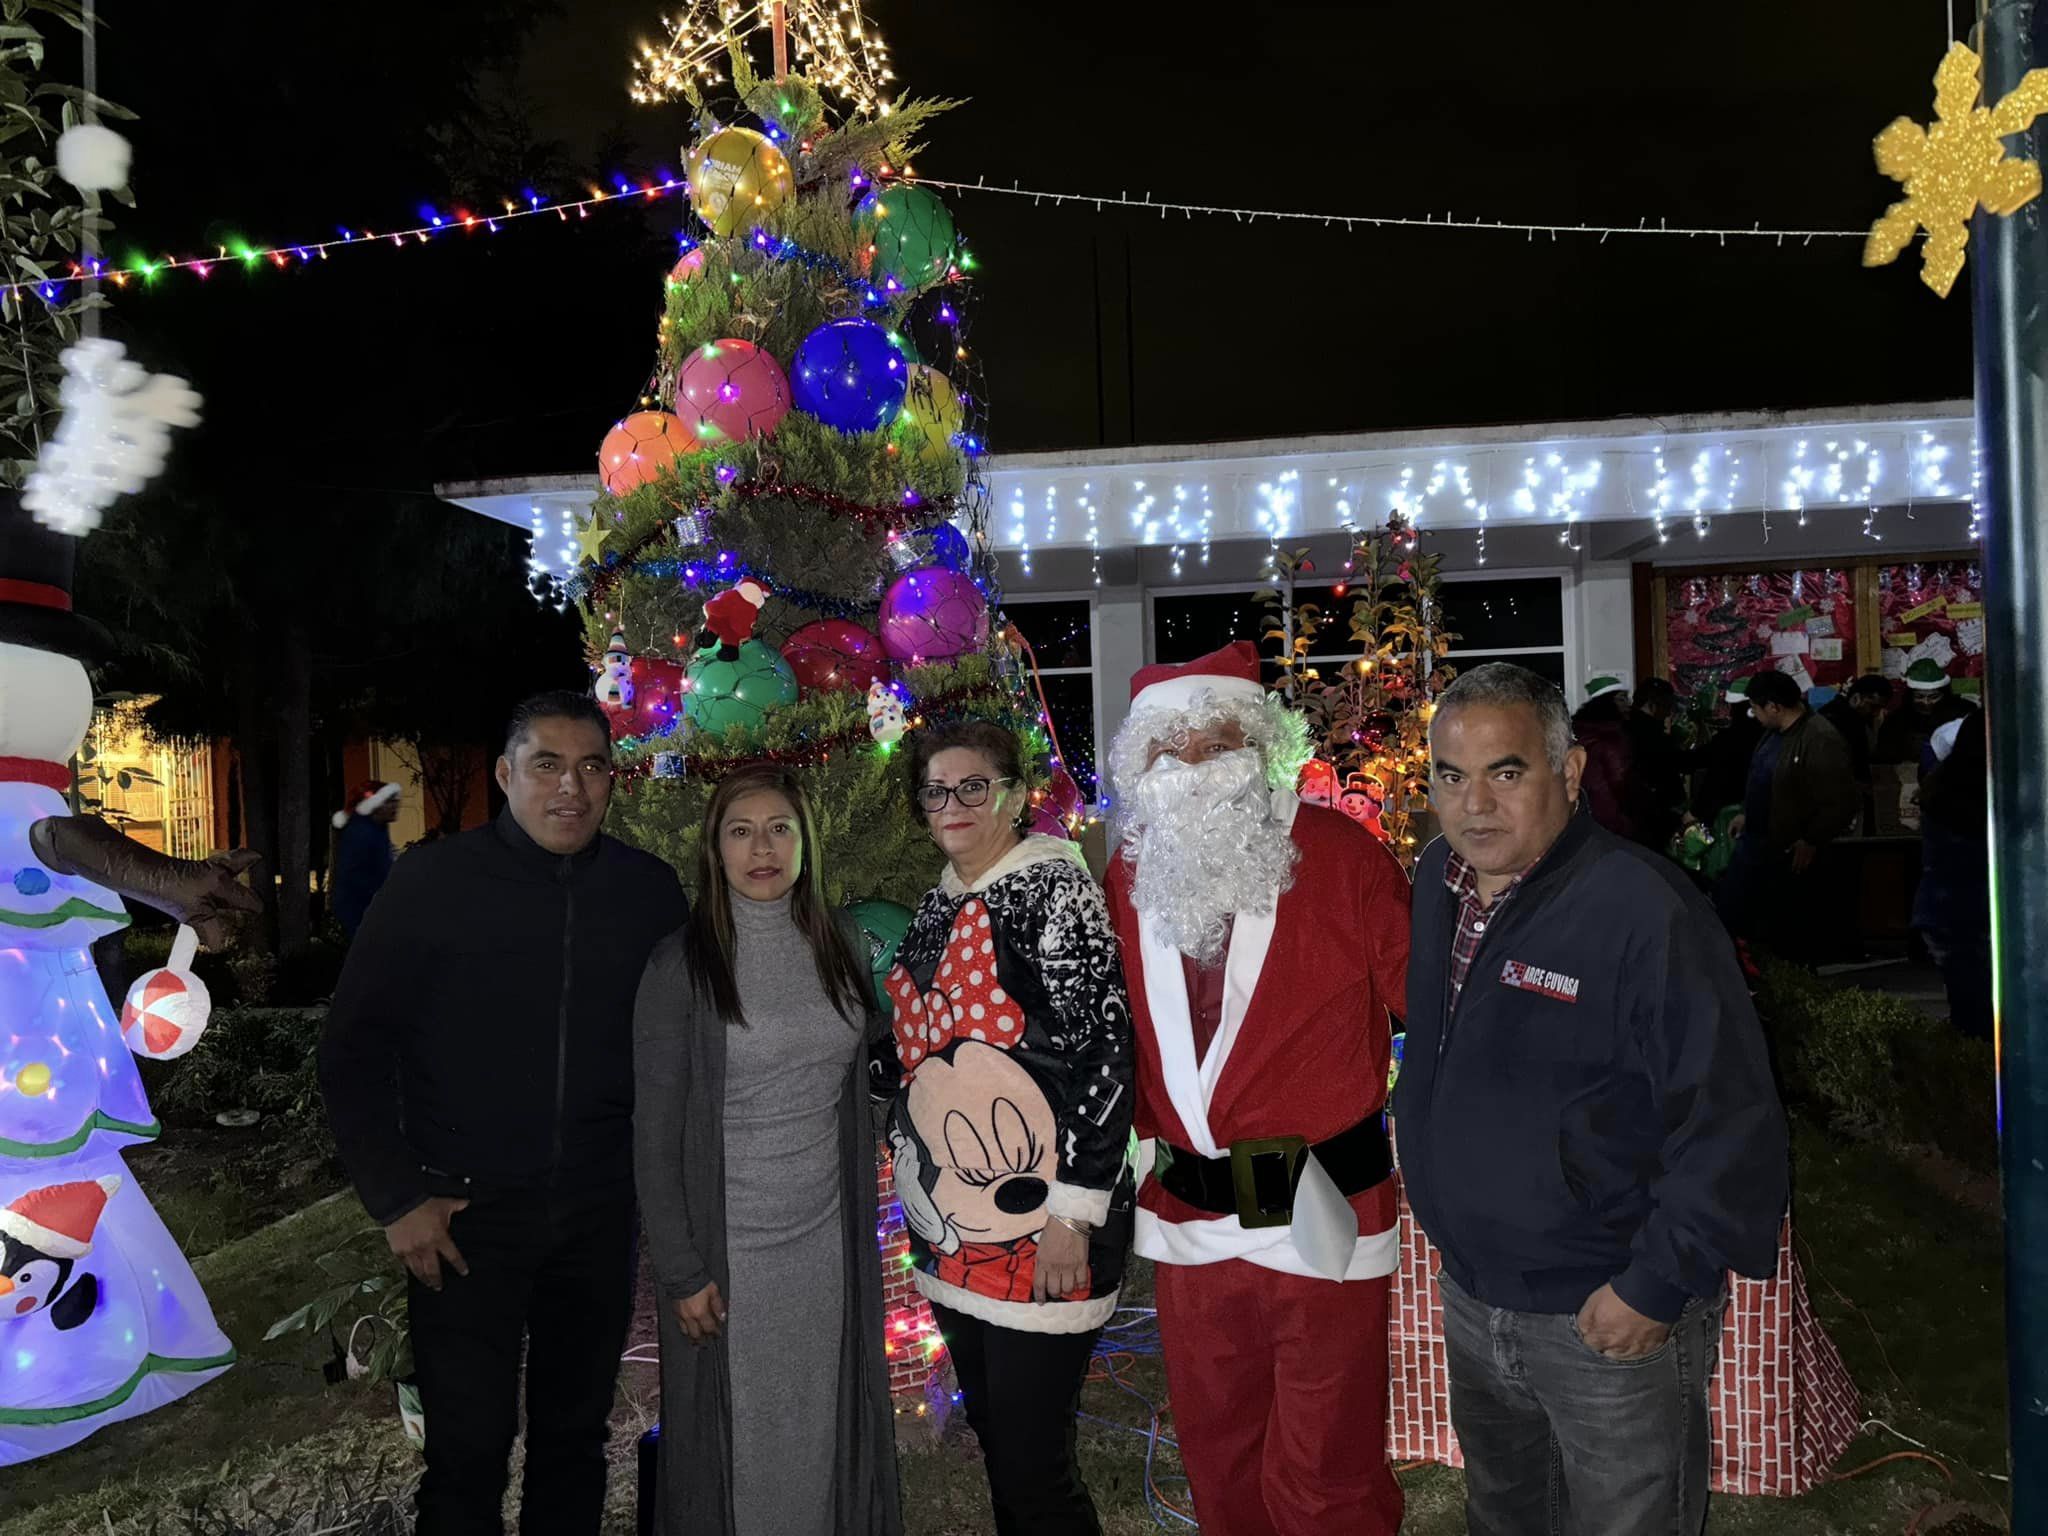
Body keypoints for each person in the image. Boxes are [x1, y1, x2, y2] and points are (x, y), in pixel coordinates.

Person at [1396, 662, 1789, 1536]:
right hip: (1474, 1291)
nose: (1475, 805)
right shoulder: (1438, 886)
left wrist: (1654, 1283)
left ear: (1568, 772)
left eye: (1507, 771)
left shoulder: (1642, 910)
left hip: (1601, 1312)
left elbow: (1732, 1115)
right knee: (1505, 1516)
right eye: (1451, 778)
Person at [319, 691, 689, 1536]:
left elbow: (686, 1048)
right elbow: (352, 1052)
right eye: (548, 765)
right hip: (462, 1218)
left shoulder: (648, 894)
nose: (572, 788)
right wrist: (397, 1199)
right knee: (468, 1452)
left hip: (596, 1218)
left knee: (574, 1443)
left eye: (592, 766)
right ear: (505, 774)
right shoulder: (433, 884)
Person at [1102, 641, 1411, 1536]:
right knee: (1217, 1445)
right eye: (1171, 748)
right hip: (1191, 1216)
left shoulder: (1341, 855)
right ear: (1142, 765)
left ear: (1260, 747)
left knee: (1328, 1461)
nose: (1193, 766)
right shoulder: (1127, 875)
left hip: (1322, 1208)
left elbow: (1429, 1009)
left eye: (1216, 742)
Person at [632, 766, 901, 1535]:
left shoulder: (841, 941)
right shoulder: (679, 967)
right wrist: (681, 1272)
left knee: (823, 1417)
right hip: (729, 1253)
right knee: (737, 1439)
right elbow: (653, 1137)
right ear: (714, 850)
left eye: (780, 827)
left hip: (825, 1240)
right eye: (741, 831)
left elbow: (868, 1063)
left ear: (805, 841)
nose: (762, 848)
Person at [886, 720, 1135, 1536]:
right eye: (936, 790)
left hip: (1046, 1228)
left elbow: (1104, 1053)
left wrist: (1074, 1214)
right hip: (953, 1235)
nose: (952, 803)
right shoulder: (934, 904)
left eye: (973, 786)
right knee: (999, 1438)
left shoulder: (1055, 890)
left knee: (1035, 1463)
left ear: (1014, 795)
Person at [1718, 669, 1861, 960]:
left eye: (1755, 708)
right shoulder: (1772, 734)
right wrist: (1748, 813)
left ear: (1774, 707)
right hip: (1757, 842)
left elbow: (1839, 800)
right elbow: (1765, 779)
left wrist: (1810, 838)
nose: (1752, 714)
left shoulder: (1820, 737)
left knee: (1787, 933)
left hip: (1789, 849)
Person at [1913, 711, 1992, 1039]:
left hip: (1943, 913)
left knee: (1969, 1010)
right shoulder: (1986, 798)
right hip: (1972, 916)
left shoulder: (1941, 784)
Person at [1571, 673, 1652, 844]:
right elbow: (1622, 782)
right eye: (1622, 699)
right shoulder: (1612, 736)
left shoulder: (1579, 730)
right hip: (1613, 820)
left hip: (1585, 817)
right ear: (1607, 702)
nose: (1628, 705)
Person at [1625, 677, 1697, 852]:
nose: (1668, 713)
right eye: (1666, 707)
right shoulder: (1652, 735)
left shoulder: (1627, 728)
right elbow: (1675, 765)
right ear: (1653, 705)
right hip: (1656, 813)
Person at [1689, 675, 1764, 827]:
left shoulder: (1727, 740)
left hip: (1727, 820)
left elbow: (1715, 781)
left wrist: (1694, 813)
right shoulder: (1772, 737)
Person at [330, 779, 400, 937]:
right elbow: (354, 875)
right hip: (360, 910)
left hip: (373, 909)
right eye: (390, 802)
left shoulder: (379, 828)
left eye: (396, 801)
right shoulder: (361, 832)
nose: (395, 806)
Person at [1820, 675, 1889, 833]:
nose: (1875, 713)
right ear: (1857, 698)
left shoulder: (1843, 714)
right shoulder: (1842, 721)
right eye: (1873, 706)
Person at [1876, 658, 1976, 765]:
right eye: (1919, 696)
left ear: (1944, 695)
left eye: (1933, 697)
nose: (1926, 702)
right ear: (1911, 696)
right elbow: (1884, 755)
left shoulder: (1963, 713)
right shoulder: (1896, 721)